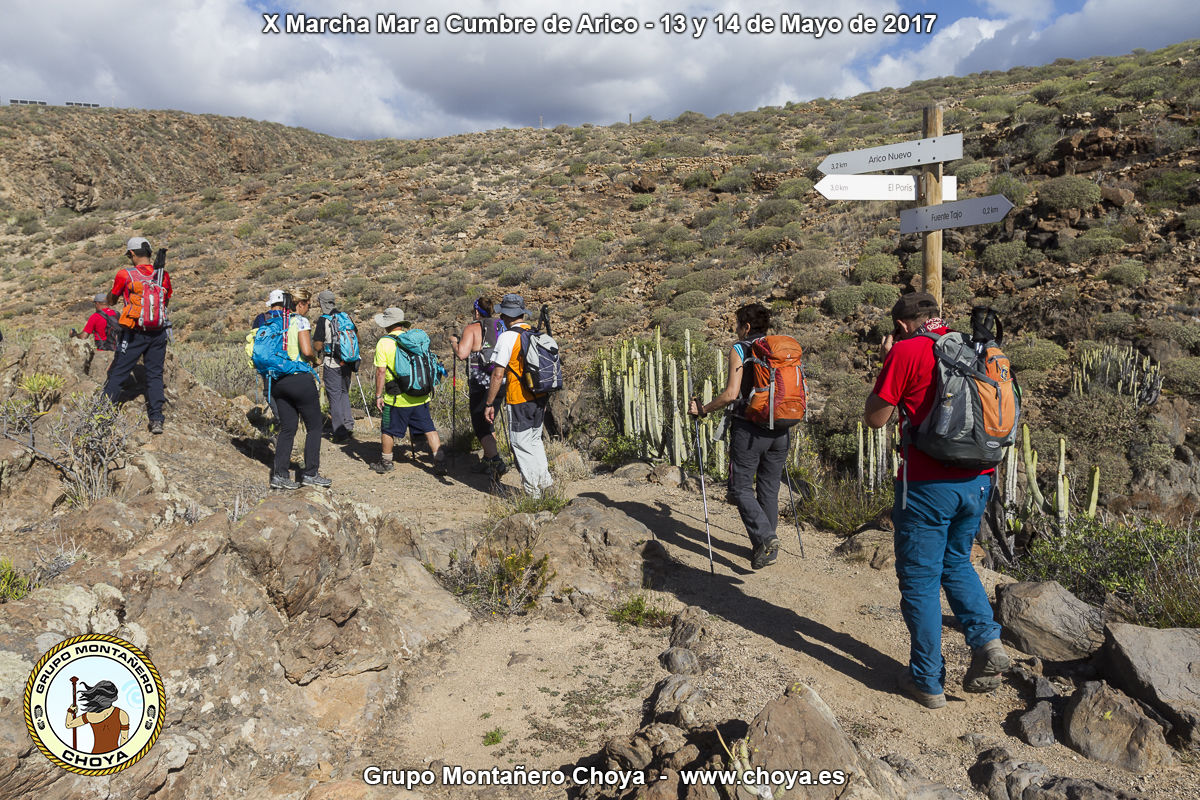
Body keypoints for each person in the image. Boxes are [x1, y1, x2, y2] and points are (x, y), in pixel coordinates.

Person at [863, 292, 1011, 709]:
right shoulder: (977, 346)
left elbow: (876, 418)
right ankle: (986, 641)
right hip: (979, 480)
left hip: (927, 486)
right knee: (958, 562)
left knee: (920, 581)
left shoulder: (908, 350)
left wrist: (887, 361)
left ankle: (926, 680)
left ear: (904, 324)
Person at [689, 303, 789, 570]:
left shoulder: (741, 348)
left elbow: (731, 394)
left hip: (750, 428)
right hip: (780, 429)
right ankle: (765, 546)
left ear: (745, 327)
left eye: (737, 325)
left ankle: (766, 539)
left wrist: (703, 409)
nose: (735, 329)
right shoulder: (778, 348)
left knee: (740, 488)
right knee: (769, 488)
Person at [483, 294, 553, 498]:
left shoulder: (507, 337)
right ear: (522, 313)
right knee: (534, 441)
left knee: (521, 444)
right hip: (539, 396)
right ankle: (546, 485)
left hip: (519, 398)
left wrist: (489, 403)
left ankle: (533, 494)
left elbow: (498, 374)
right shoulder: (534, 332)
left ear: (505, 315)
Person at [260, 289, 330, 490]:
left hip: (278, 381)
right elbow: (307, 350)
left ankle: (280, 475)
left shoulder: (277, 322)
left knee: (288, 428)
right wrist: (315, 360)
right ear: (301, 304)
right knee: (315, 426)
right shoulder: (300, 321)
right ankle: (310, 473)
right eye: (308, 304)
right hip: (298, 378)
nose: (309, 308)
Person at [103, 236, 172, 434]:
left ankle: (102, 414)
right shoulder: (162, 275)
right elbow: (165, 301)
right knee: (154, 375)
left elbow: (112, 300)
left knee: (118, 372)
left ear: (132, 254)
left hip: (134, 332)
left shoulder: (125, 274)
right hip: (158, 331)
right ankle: (156, 419)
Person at [371, 307, 446, 474]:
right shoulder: (413, 340)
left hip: (396, 397)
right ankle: (439, 461)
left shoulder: (384, 342)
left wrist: (378, 395)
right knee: (429, 428)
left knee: (388, 429)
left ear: (387, 324)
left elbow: (381, 371)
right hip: (421, 395)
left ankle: (386, 462)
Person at [450, 296, 507, 475]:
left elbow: (462, 353)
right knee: (489, 422)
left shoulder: (472, 328)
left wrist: (453, 341)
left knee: (480, 425)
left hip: (480, 384)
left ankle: (497, 462)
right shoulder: (501, 326)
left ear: (476, 311)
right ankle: (488, 460)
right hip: (500, 381)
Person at [312, 289, 358, 443]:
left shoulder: (323, 320)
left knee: (334, 395)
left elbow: (318, 346)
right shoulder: (346, 316)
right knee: (344, 392)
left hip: (331, 363)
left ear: (321, 303)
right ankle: (348, 425)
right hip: (347, 362)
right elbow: (357, 337)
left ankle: (340, 432)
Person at [65, 680, 129, 754]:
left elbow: (69, 725)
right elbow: (124, 739)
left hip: (95, 755)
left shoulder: (90, 715)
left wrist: (70, 711)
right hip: (114, 756)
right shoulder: (121, 714)